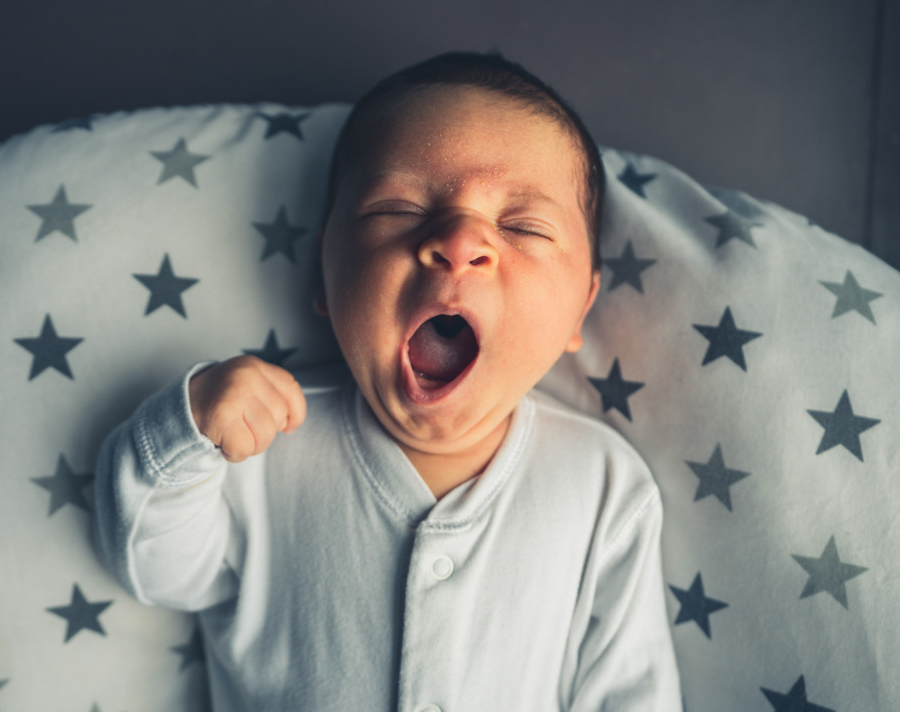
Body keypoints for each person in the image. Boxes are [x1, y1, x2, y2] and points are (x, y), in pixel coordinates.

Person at [94, 51, 682, 711]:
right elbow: (155, 571)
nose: (461, 241)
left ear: (581, 308)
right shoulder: (260, 449)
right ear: (325, 274)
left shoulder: (602, 486)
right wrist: (186, 431)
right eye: (398, 209)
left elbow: (632, 692)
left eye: (522, 225)